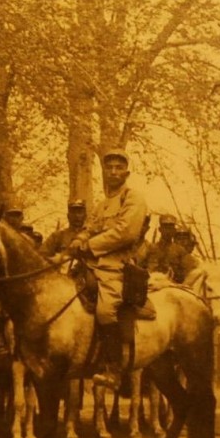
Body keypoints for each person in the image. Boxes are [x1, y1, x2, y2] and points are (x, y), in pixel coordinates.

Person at [68, 149, 148, 391]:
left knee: (105, 311)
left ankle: (113, 370)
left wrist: (89, 246)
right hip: (92, 265)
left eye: (118, 167)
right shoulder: (102, 205)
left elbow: (126, 232)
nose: (113, 171)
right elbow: (90, 226)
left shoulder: (132, 198)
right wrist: (78, 239)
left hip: (117, 267)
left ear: (126, 172)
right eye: (109, 167)